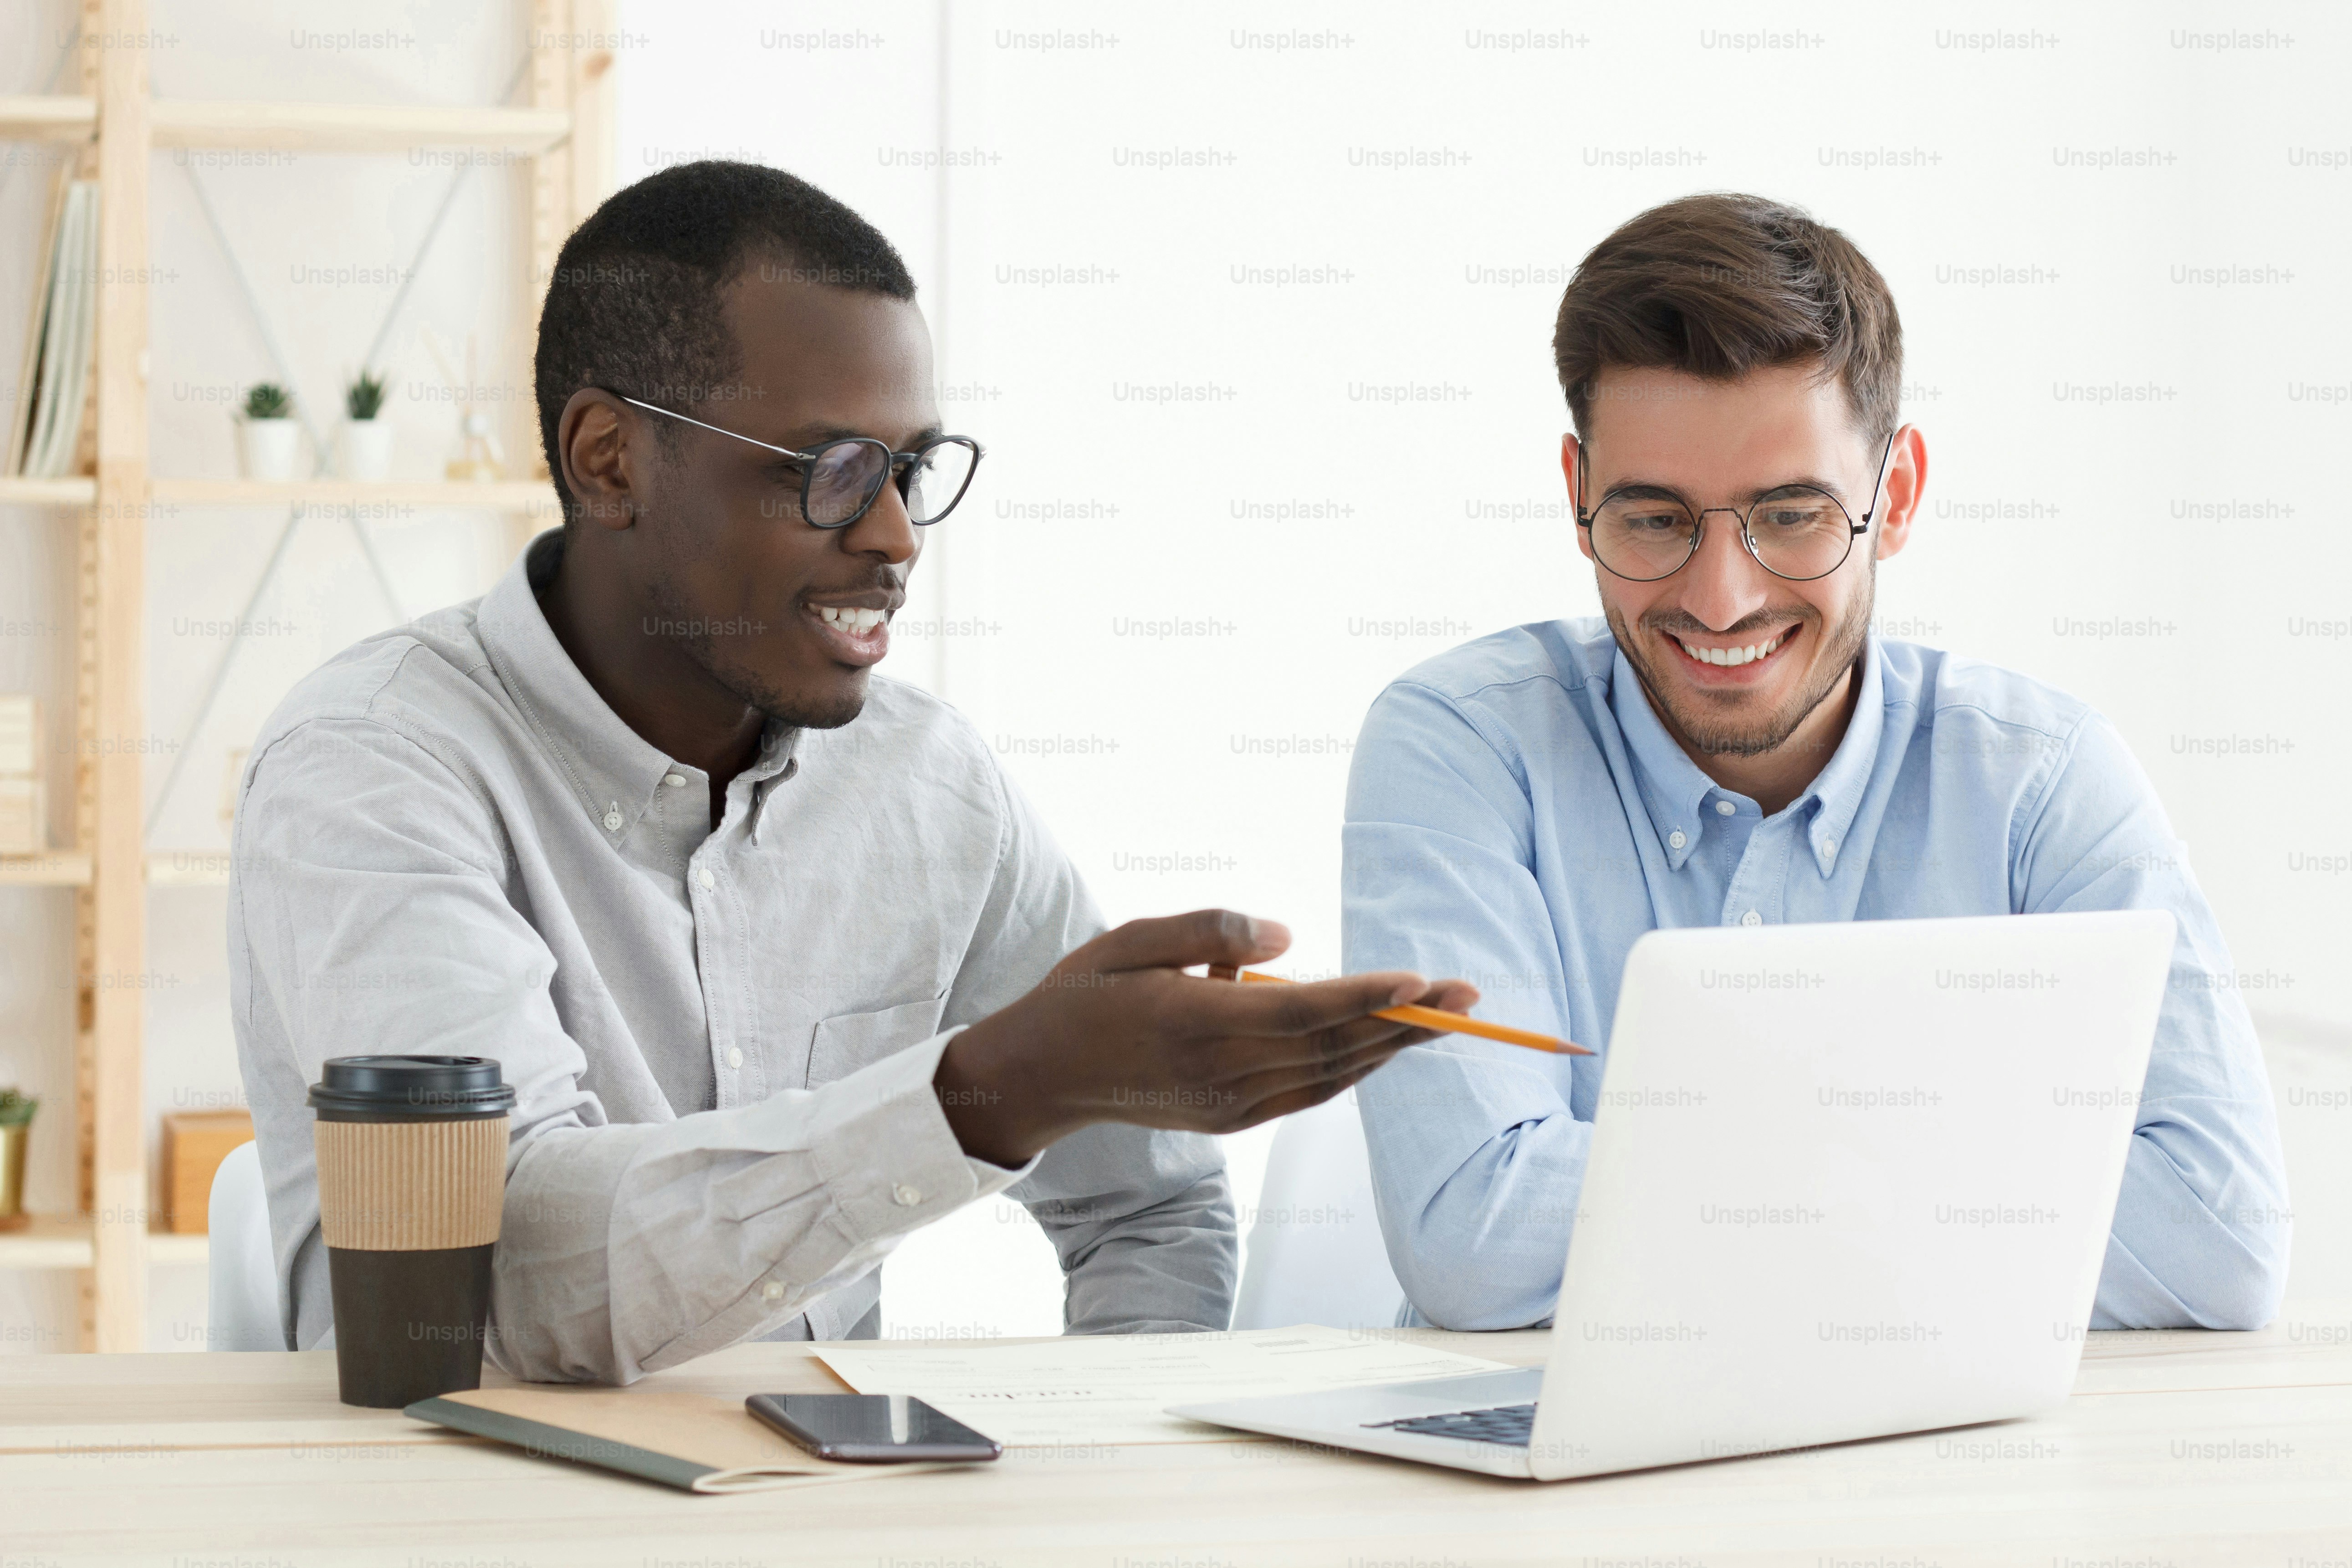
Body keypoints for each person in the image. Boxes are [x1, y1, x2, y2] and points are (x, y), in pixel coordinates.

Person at [230, 161, 1472, 1383]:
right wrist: (990, 1093)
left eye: (910, 471)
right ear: (608, 459)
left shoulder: (927, 786)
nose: (893, 540)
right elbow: (506, 1273)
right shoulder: (373, 765)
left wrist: (1109, 1458)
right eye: (825, 472)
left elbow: (1146, 1211)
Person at [1343, 192, 2290, 1333]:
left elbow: (2217, 1240)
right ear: (1577, 494)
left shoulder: (2041, 783)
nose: (1718, 596)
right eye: (1651, 520)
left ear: (1891, 498)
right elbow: (1476, 1241)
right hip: (1543, 1493)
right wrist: (1973, 1179)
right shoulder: (1463, 749)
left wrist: (1678, 1187)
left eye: (1790, 515)